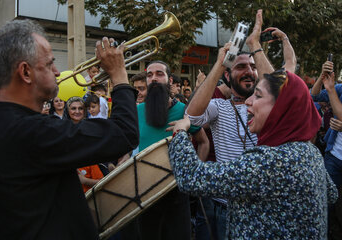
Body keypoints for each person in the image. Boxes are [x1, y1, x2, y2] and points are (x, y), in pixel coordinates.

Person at [0, 19, 139, 239]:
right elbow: (125, 134)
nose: (57, 72)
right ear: (25, 72)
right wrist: (119, 75)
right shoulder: (33, 131)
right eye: (49, 64)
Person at [168, 63, 337, 239]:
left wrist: (180, 132)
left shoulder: (271, 161)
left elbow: (192, 178)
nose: (248, 101)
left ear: (281, 107)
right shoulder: (310, 151)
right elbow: (331, 194)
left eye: (258, 96)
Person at [185, 9, 297, 240]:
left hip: (260, 207)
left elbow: (278, 88)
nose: (249, 71)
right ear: (228, 75)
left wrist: (256, 44)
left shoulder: (265, 108)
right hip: (222, 206)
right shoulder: (219, 106)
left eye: (253, 67)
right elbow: (193, 116)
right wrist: (218, 65)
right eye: (240, 67)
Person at [135, 60, 209, 240]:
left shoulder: (184, 111)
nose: (153, 78)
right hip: (145, 192)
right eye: (149, 75)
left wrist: (194, 174)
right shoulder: (137, 111)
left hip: (176, 192)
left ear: (169, 81)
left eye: (159, 74)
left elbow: (204, 142)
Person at [311, 59, 342, 238]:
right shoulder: (340, 90)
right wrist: (322, 77)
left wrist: (331, 90)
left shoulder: (335, 90)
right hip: (334, 156)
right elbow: (314, 96)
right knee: (324, 200)